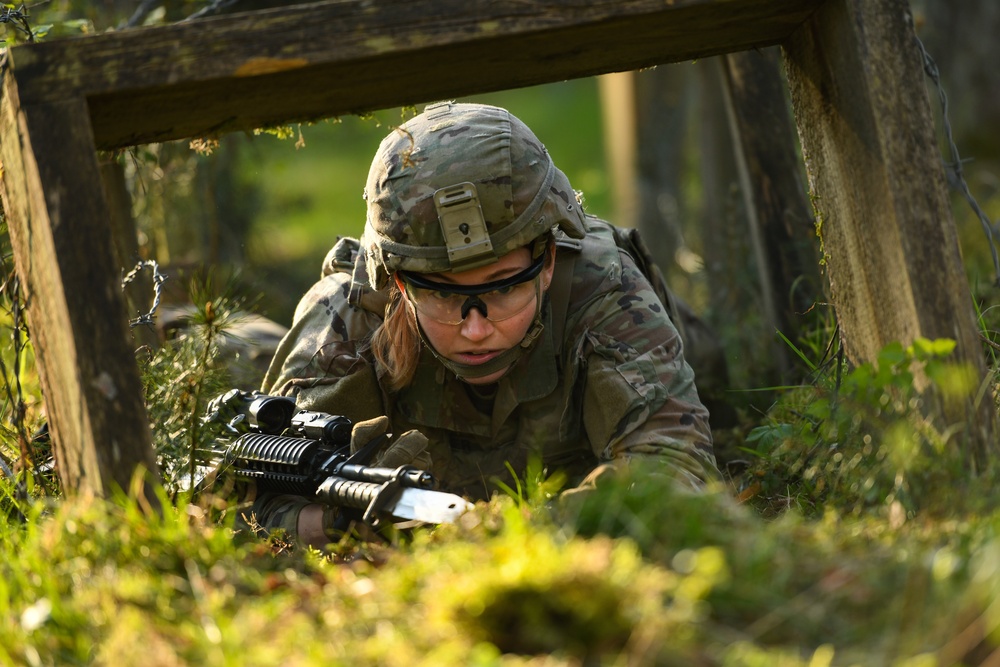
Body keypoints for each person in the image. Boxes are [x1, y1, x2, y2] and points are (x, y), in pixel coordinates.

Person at [249, 101, 718, 548]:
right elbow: (247, 505)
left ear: (549, 261)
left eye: (501, 287)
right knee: (238, 351)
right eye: (439, 292)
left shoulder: (601, 290)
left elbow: (673, 465)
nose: (476, 330)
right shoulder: (348, 324)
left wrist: (491, 532)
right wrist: (342, 521)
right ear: (396, 283)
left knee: (718, 365)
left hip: (683, 352)